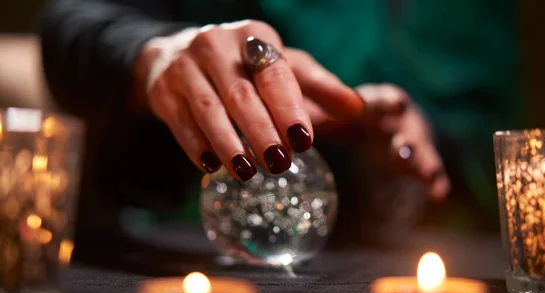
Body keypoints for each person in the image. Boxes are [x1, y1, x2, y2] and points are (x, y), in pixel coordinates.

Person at [40, 0, 514, 252]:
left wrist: (415, 137)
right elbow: (70, 23)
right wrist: (158, 55)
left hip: (408, 253)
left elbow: (486, 110)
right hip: (186, 245)